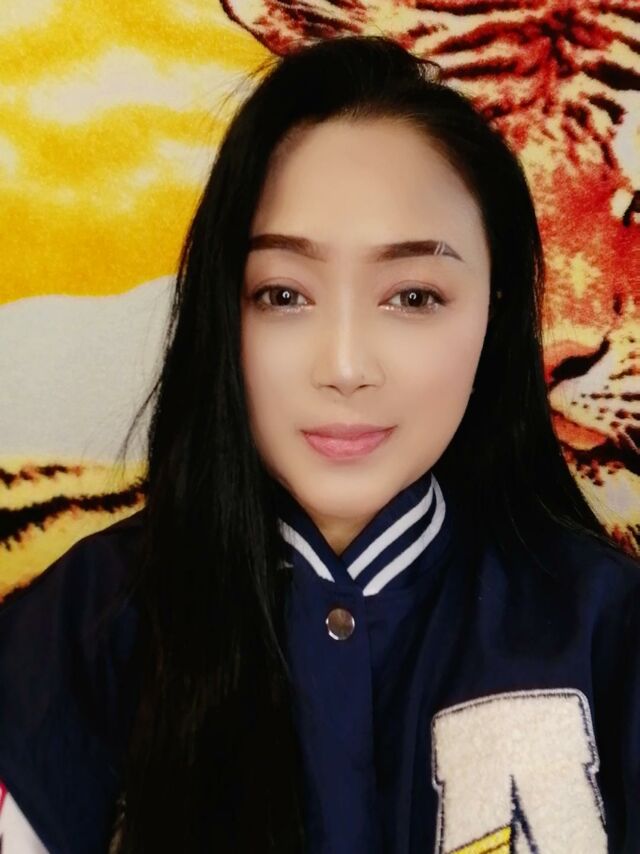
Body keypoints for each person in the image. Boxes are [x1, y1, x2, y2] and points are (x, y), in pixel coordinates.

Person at [0, 33, 639, 854]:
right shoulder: (87, 624)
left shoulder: (608, 627)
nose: (343, 367)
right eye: (282, 294)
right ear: (222, 309)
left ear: (496, 308)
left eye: (413, 296)